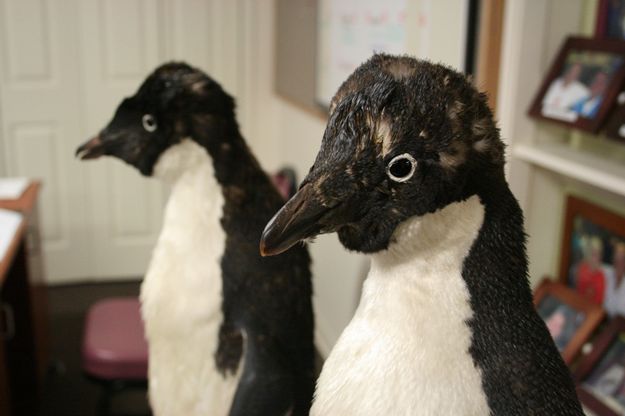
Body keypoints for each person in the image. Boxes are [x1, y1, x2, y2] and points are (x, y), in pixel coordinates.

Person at [576, 236, 607, 305]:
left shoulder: (601, 277)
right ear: (588, 255)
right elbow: (577, 292)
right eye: (593, 254)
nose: (597, 258)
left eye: (598, 254)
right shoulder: (582, 268)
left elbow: (598, 303)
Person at [604, 242, 625, 316]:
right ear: (613, 260)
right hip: (602, 318)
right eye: (617, 259)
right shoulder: (606, 273)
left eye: (622, 260)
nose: (619, 263)